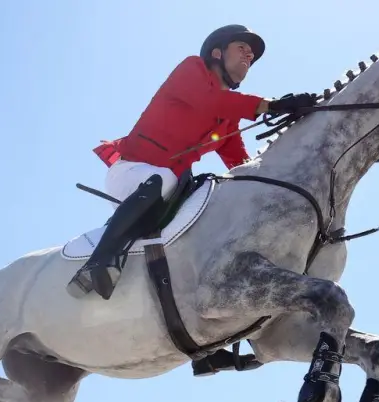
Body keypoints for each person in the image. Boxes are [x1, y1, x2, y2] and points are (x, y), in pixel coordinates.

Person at [69, 25, 318, 300]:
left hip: (170, 185)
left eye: (252, 55)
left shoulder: (229, 121)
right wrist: (272, 106)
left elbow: (243, 165)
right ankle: (99, 261)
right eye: (242, 48)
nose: (249, 55)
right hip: (132, 171)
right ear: (216, 52)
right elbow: (211, 102)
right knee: (166, 178)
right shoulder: (192, 69)